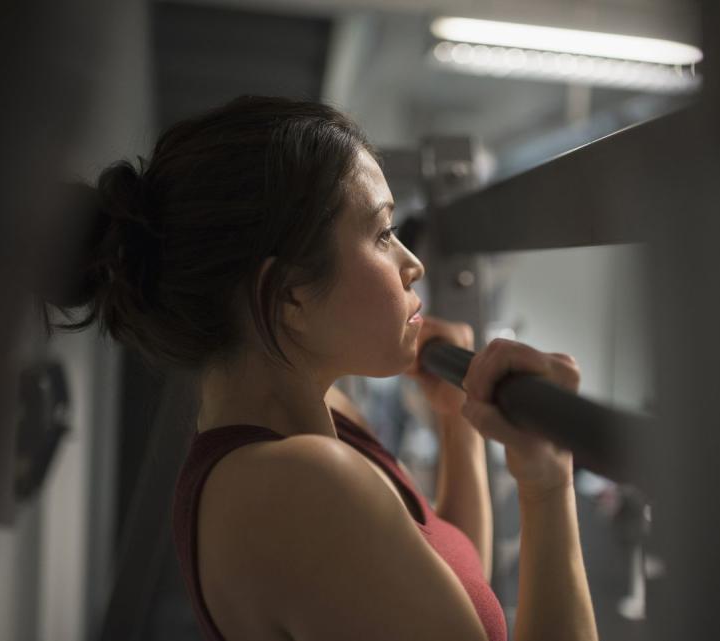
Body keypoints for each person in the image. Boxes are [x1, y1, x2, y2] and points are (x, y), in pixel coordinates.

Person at [41, 96, 598, 641]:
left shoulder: (319, 418)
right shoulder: (300, 484)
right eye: (383, 234)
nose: (413, 264)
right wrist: (546, 483)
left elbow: (451, 580)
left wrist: (455, 423)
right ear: (291, 297)